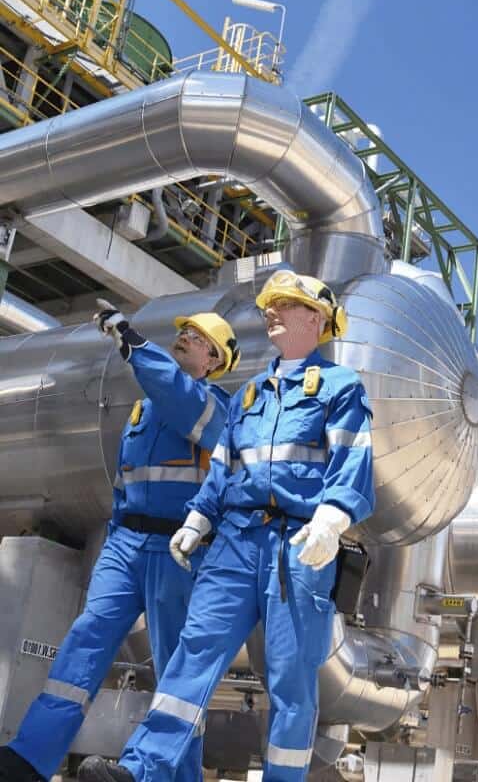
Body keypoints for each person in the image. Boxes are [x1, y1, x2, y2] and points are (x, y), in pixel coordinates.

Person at [79, 271, 374, 782]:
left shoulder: (339, 388)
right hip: (235, 542)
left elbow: (352, 460)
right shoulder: (250, 395)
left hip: (298, 546)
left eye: (284, 304)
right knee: (193, 652)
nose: (271, 313)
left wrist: (332, 516)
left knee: (291, 679)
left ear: (317, 320)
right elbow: (223, 467)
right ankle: (142, 769)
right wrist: (197, 518)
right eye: (270, 305)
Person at [0, 304, 240, 782]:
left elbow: (177, 395)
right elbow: (126, 480)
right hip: (126, 541)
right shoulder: (143, 410)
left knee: (177, 668)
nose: (184, 338)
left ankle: (160, 774)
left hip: (179, 549)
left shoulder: (214, 406)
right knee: (86, 638)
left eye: (195, 337)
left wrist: (132, 340)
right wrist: (113, 541)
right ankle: (29, 758)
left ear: (214, 360)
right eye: (184, 331)